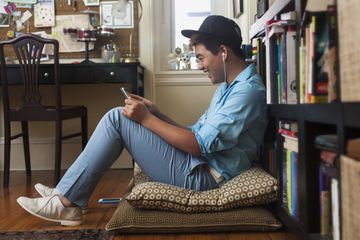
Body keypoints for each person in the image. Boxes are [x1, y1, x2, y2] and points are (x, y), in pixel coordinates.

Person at [17, 15, 267, 226]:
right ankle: (67, 194)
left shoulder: (246, 92)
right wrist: (156, 114)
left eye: (201, 57)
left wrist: (147, 119)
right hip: (199, 163)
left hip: (204, 177)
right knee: (121, 117)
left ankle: (66, 201)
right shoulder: (230, 87)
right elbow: (195, 133)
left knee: (117, 118)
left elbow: (198, 144)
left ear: (223, 52)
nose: (200, 66)